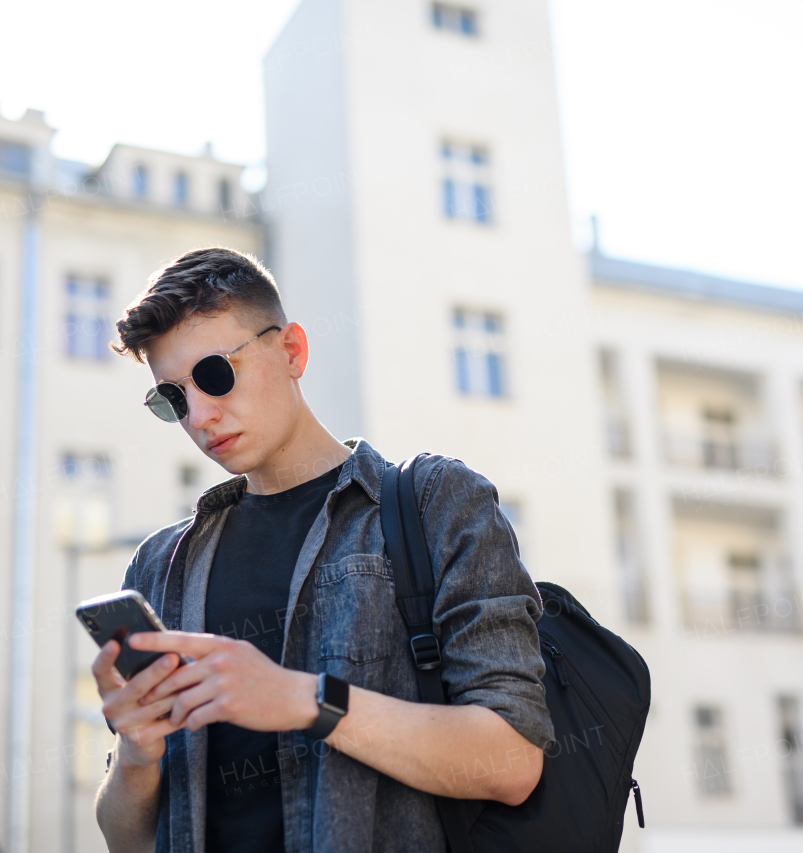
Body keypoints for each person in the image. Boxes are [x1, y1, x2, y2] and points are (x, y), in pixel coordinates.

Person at [91, 247, 552, 853]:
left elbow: (511, 761)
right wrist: (135, 754)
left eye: (214, 374)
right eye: (172, 399)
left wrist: (303, 699)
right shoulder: (160, 565)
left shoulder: (433, 504)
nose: (200, 415)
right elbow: (125, 840)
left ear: (292, 352)